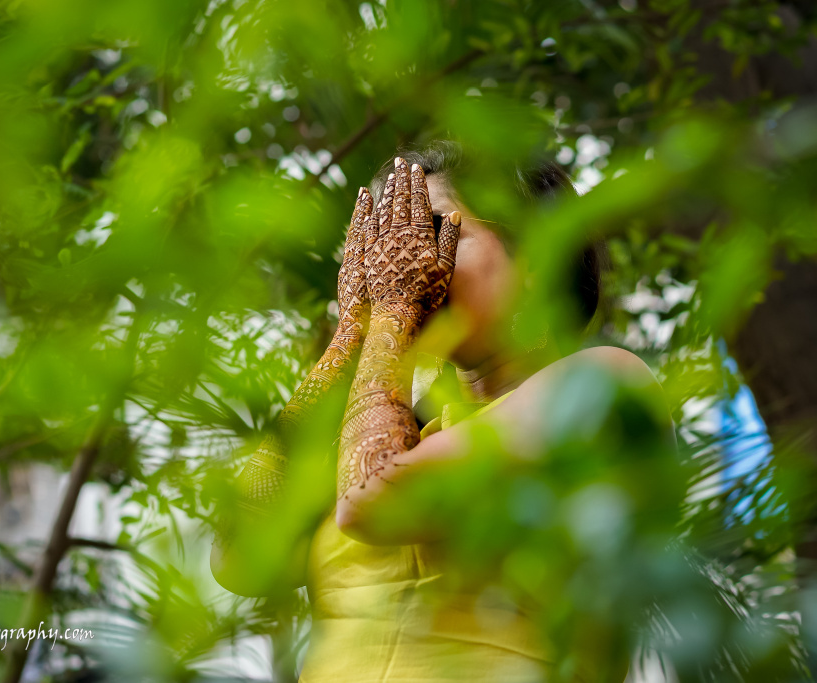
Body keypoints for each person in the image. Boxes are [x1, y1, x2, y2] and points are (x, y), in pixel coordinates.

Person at [211, 141, 677, 682]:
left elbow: (376, 503)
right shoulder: (403, 428)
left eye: (430, 230)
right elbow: (239, 559)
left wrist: (393, 316)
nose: (403, 258)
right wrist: (350, 339)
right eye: (384, 242)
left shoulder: (602, 383)